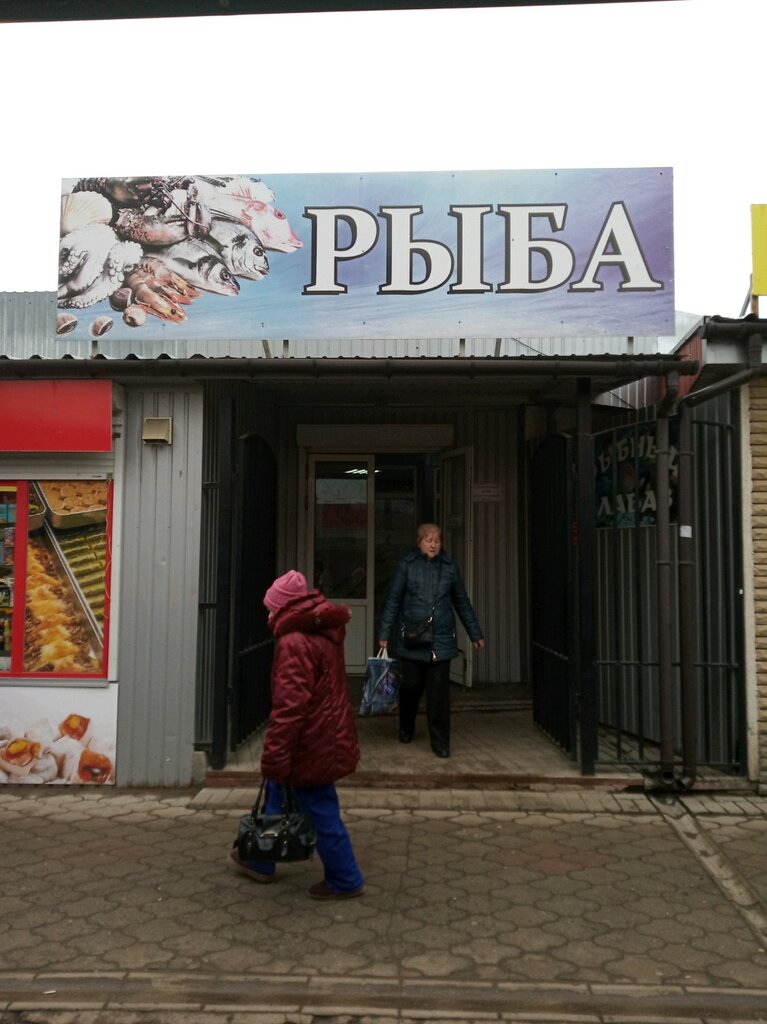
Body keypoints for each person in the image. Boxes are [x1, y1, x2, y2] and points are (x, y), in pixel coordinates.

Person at [229, 569, 365, 899]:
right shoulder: (321, 632)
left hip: (310, 743)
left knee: (320, 807)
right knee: (278, 793)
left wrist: (275, 754)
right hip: (322, 735)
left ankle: (345, 879)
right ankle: (261, 859)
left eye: (271, 608)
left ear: (285, 607)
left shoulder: (294, 643)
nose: (268, 616)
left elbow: (290, 708)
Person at [378, 523, 484, 759]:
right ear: (419, 543)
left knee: (439, 695)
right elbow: (394, 600)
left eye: (437, 540)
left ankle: (441, 742)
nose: (433, 544)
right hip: (412, 639)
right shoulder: (407, 565)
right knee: (411, 686)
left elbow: (462, 602)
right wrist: (384, 633)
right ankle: (406, 726)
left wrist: (475, 634)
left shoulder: (449, 568)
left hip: (440, 642)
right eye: (428, 540)